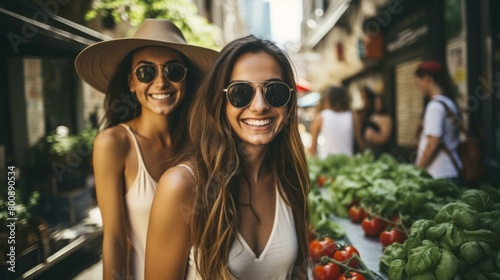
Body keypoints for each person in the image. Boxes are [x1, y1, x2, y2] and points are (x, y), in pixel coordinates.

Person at [145, 35, 310, 280]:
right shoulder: (182, 185)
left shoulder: (289, 176)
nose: (259, 106)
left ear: (289, 101)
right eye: (240, 92)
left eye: (274, 91)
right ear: (220, 101)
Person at [74, 19, 218, 280]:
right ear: (131, 82)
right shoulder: (114, 144)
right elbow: (115, 241)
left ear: (187, 79)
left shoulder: (200, 145)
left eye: (173, 71)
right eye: (146, 72)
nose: (161, 82)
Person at [414, 60, 462, 181]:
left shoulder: (434, 106)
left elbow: (433, 141)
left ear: (427, 78)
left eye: (418, 80)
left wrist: (418, 170)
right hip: (451, 170)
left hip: (439, 174)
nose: (417, 84)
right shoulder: (449, 103)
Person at [308, 86, 354, 158]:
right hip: (349, 162)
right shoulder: (352, 116)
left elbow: (312, 149)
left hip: (326, 164)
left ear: (329, 100)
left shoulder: (320, 117)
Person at [363, 93, 393, 158]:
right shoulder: (373, 115)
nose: (377, 105)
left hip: (380, 152)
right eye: (376, 103)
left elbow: (384, 138)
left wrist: (373, 135)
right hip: (370, 151)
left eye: (379, 103)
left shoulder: (386, 118)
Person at [353, 86, 376, 153]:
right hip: (363, 144)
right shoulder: (361, 112)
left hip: (373, 145)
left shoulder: (374, 111)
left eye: (364, 97)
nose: (362, 99)